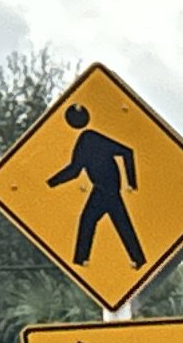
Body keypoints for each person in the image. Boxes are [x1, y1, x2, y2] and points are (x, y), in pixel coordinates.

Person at [48, 107, 145, 278]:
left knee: (95, 221)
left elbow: (127, 151)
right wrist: (52, 182)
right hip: (103, 189)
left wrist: (132, 182)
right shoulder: (86, 140)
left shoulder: (90, 139)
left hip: (107, 189)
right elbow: (75, 170)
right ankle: (136, 260)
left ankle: (81, 261)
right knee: (113, 223)